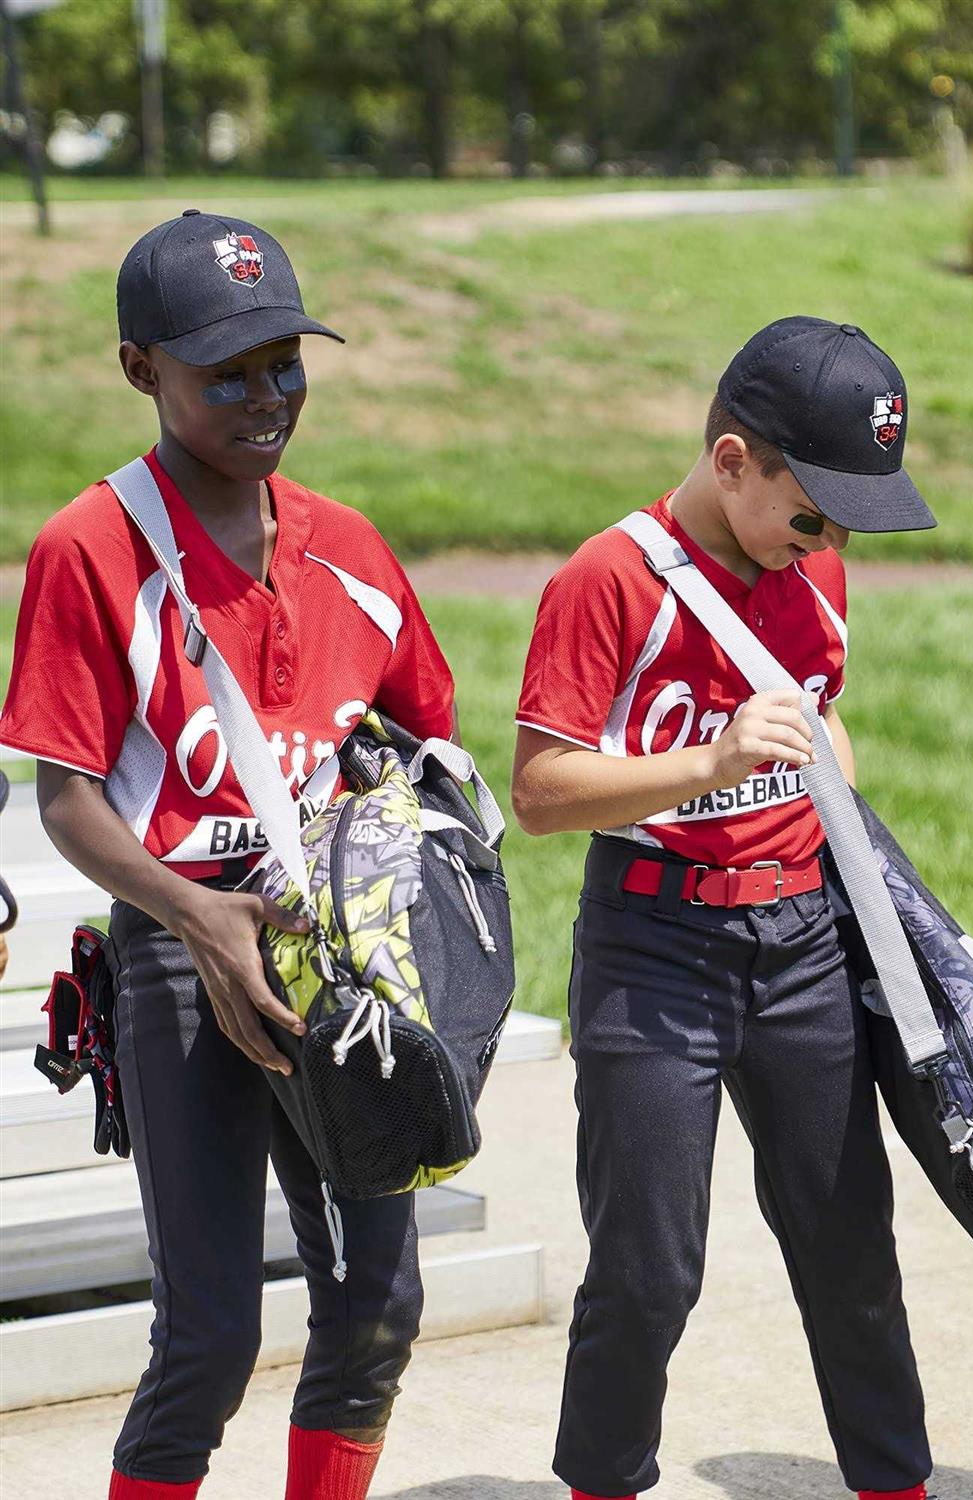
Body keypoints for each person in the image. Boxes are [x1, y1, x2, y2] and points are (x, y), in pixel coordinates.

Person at [0, 210, 457, 1500]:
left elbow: (423, 742)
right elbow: (67, 800)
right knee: (208, 1336)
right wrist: (198, 916)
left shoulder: (352, 549)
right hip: (175, 957)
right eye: (225, 370)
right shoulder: (90, 547)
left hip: (336, 967)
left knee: (379, 1307)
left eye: (286, 361)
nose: (266, 395)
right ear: (142, 368)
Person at [511, 316, 936, 1500]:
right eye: (814, 511)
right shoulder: (608, 579)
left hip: (802, 934)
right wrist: (707, 766)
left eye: (850, 519)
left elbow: (818, 706)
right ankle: (604, 1480)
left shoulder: (818, 572)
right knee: (649, 1267)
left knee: (850, 1252)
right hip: (656, 945)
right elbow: (541, 793)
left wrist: (836, 796)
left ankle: (895, 1485)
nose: (832, 540)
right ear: (734, 459)